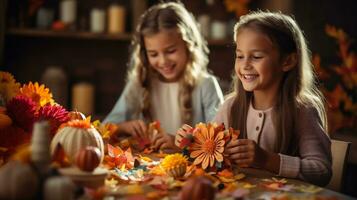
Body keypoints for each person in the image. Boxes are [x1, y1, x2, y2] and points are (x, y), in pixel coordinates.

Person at [176, 11, 332, 186]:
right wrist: (192, 143)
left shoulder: (303, 109)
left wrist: (267, 160)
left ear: (287, 61)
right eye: (240, 56)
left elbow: (321, 171)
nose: (245, 65)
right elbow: (211, 157)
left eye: (256, 57)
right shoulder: (231, 106)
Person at [104, 2, 224, 150]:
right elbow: (103, 129)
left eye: (170, 51)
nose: (163, 61)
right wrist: (124, 127)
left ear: (189, 45)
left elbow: (220, 141)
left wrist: (181, 144)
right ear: (144, 54)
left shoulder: (206, 85)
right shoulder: (140, 83)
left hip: (193, 171)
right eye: (153, 54)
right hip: (147, 169)